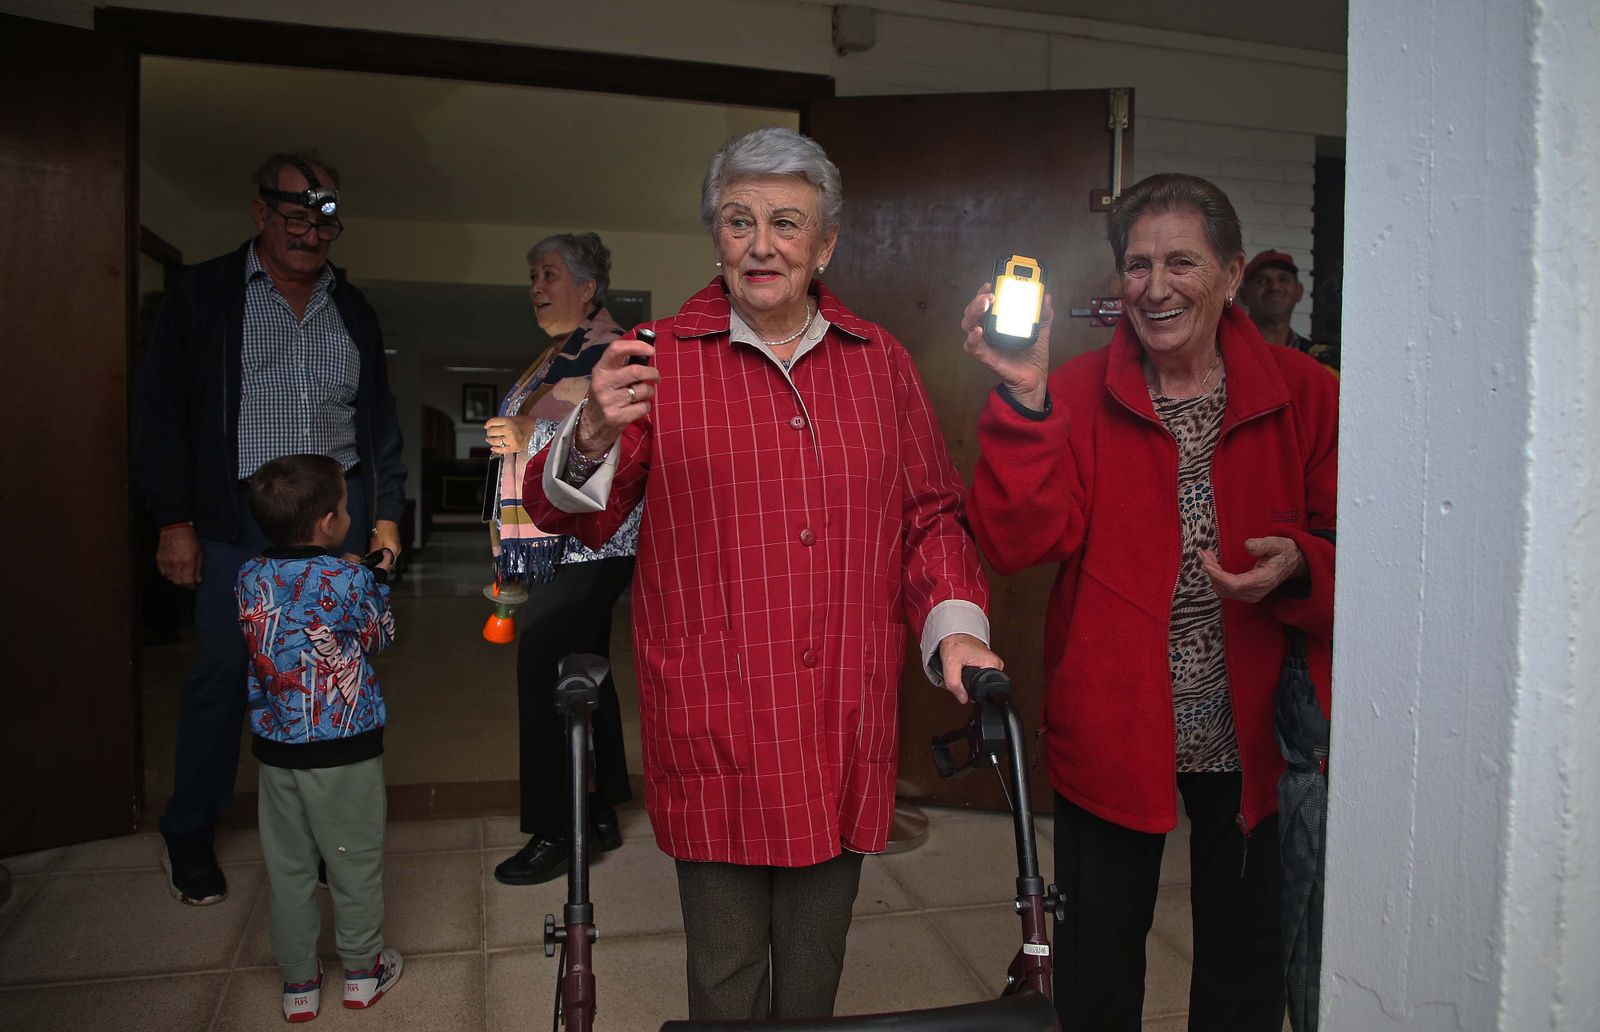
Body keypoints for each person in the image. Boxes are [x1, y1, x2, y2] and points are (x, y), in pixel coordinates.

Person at [525, 126, 1001, 1021]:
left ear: (825, 246)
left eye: (788, 223)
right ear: (716, 238)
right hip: (720, 708)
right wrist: (589, 431)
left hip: (841, 708)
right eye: (739, 221)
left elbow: (929, 512)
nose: (762, 243)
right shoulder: (657, 356)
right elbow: (568, 512)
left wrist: (958, 628)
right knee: (726, 972)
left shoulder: (881, 363)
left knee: (817, 969)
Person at [961, 173, 1337, 1031]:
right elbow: (1018, 543)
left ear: (1232, 273)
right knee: (1097, 962)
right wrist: (1024, 396)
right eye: (1136, 265)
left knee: (1243, 964)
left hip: (1251, 736)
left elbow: (1361, 551)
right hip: (1115, 722)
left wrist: (1302, 564)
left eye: (1182, 262)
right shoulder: (1084, 389)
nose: (1155, 287)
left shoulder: (1306, 393)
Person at [132, 151, 407, 906]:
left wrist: (383, 515)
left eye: (324, 218)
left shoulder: (352, 309)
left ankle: (323, 834)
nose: (310, 232)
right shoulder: (204, 295)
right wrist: (174, 520)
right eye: (294, 213)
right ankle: (190, 831)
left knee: (330, 679)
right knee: (226, 672)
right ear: (259, 213)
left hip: (334, 519)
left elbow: (378, 423)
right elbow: (159, 417)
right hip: (233, 520)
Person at [482, 233, 641, 885]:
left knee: (545, 672)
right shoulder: (559, 353)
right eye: (532, 276)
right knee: (585, 671)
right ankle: (599, 808)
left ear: (588, 288)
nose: (536, 287)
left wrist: (532, 432)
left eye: (549, 274)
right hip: (562, 542)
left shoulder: (613, 348)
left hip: (591, 540)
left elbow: (629, 428)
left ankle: (557, 829)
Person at [238, 454, 402, 1021]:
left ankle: (299, 984)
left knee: (288, 869)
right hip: (344, 750)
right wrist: (378, 575)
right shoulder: (350, 577)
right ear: (330, 522)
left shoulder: (249, 575)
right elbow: (378, 636)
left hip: (278, 750)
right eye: (346, 507)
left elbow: (298, 592)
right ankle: (362, 972)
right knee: (352, 861)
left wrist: (352, 572)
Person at [1239, 249, 1339, 372]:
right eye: (1262, 280)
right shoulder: (1230, 350)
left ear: (1299, 291)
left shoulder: (1319, 358)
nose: (1274, 287)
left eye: (1283, 279)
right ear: (1244, 295)